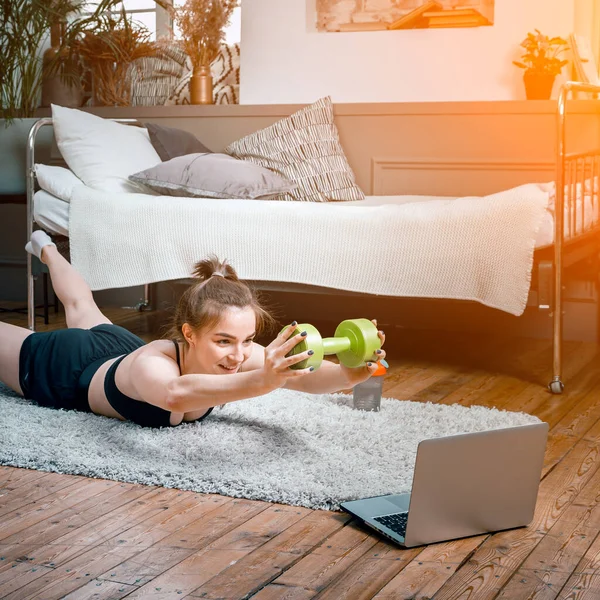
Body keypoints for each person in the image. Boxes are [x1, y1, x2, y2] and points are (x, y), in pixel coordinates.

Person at [0, 231, 386, 428]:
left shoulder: (238, 355)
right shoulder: (152, 365)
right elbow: (175, 394)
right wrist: (265, 381)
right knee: (77, 310)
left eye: (247, 341)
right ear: (189, 334)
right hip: (64, 367)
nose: (238, 355)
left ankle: (46, 246)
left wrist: (352, 373)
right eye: (223, 341)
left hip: (116, 347)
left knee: (82, 306)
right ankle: (48, 250)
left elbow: (307, 380)